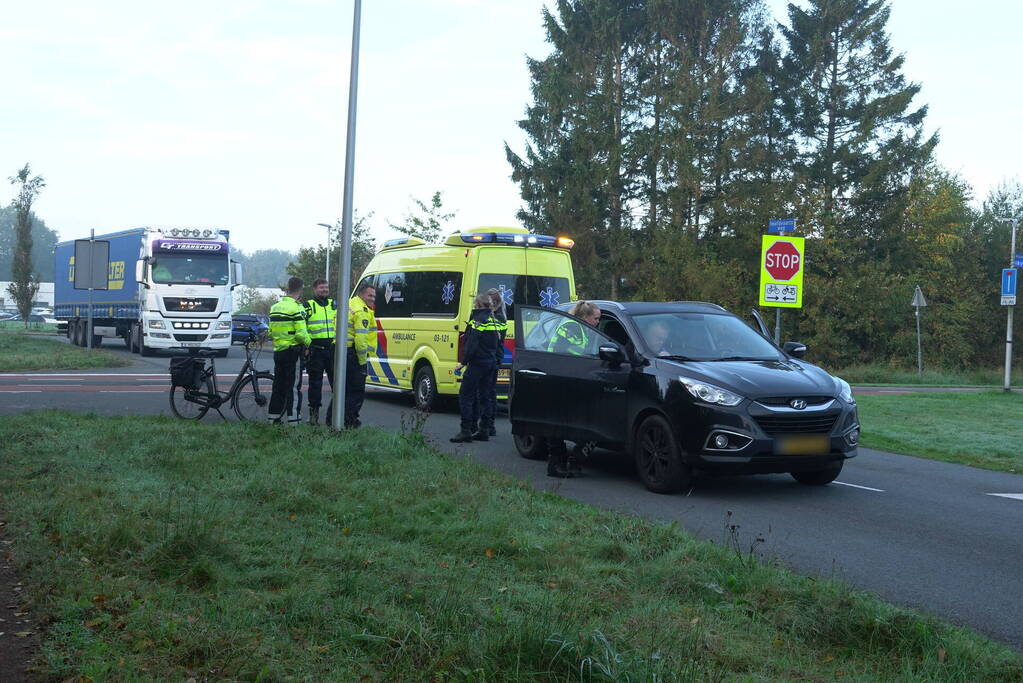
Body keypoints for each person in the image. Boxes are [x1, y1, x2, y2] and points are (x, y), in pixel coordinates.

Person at [546, 300, 601, 477]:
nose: (598, 322)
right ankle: (557, 464)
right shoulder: (571, 327)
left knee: (562, 424)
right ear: (585, 317)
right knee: (559, 425)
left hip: (571, 379)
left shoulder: (579, 327)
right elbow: (565, 353)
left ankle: (570, 461)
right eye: (596, 318)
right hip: (562, 379)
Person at [451, 293, 503, 443]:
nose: (474, 307)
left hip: (477, 364)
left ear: (479, 306)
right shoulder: (493, 320)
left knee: (465, 395)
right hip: (490, 363)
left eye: (475, 305)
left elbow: (472, 344)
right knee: (485, 397)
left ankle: (465, 430)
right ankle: (484, 429)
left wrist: (463, 362)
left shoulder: (478, 320)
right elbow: (498, 344)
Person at [267, 277, 311, 426]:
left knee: (278, 386)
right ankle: (294, 420)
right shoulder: (297, 308)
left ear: (287, 288)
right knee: (293, 387)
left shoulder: (275, 307)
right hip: (293, 352)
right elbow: (300, 334)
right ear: (301, 290)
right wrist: (309, 343)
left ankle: (273, 418)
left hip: (278, 351)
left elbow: (271, 332)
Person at [303, 279, 337, 425]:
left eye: (326, 287)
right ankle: (313, 417)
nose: (324, 290)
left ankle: (336, 416)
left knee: (338, 383)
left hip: (333, 350)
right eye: (321, 287)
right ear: (314, 289)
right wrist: (306, 347)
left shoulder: (334, 304)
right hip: (315, 351)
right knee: (315, 385)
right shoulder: (308, 306)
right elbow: (302, 327)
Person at [344, 281, 377, 428]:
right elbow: (361, 339)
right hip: (354, 354)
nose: (372, 298)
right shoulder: (362, 310)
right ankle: (350, 421)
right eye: (370, 295)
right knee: (356, 391)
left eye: (374, 296)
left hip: (342, 350)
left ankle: (333, 419)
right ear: (361, 294)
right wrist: (363, 362)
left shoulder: (349, 304)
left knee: (342, 390)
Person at [477, 288, 508, 437]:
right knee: (490, 392)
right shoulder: (501, 316)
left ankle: (487, 425)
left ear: (493, 302)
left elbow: (493, 340)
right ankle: (490, 425)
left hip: (491, 357)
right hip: (496, 357)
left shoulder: (496, 318)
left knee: (487, 393)